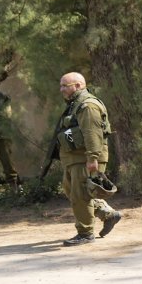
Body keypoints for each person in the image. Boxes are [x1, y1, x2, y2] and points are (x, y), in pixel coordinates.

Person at [53, 72, 121, 245]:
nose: (61, 89)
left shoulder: (87, 105)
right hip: (75, 158)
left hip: (85, 158)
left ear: (77, 86)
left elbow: (92, 134)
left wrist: (92, 158)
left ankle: (85, 233)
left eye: (64, 86)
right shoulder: (75, 105)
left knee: (80, 196)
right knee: (72, 190)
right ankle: (108, 214)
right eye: (60, 86)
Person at [0, 77, 19, 190]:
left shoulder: (3, 98)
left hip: (1, 135)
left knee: (8, 163)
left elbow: (6, 116)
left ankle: (13, 188)